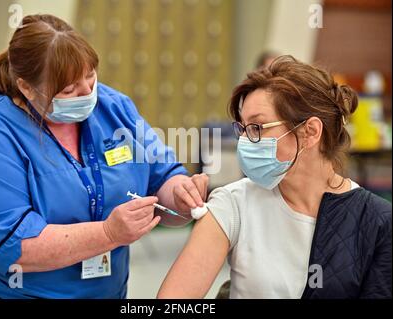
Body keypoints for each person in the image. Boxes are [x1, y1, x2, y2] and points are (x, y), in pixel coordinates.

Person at [0, 14, 208, 299]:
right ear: (26, 87)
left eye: (90, 75)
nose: (88, 93)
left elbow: (161, 176)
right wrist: (108, 234)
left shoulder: (112, 108)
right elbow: (16, 248)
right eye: (68, 89)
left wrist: (180, 196)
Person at [158, 55, 392, 299]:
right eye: (243, 129)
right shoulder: (232, 204)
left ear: (310, 132)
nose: (245, 142)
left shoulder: (376, 221)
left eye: (257, 128)